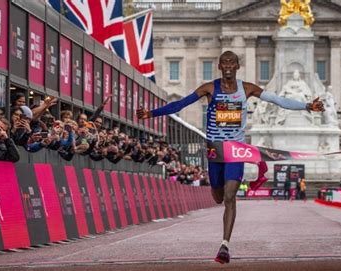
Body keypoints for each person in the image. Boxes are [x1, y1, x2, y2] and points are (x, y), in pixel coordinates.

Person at [136, 51, 324, 264]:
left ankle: (224, 245)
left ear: (237, 66)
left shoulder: (247, 89)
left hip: (236, 149)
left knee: (229, 196)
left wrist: (307, 106)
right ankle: (220, 201)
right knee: (217, 195)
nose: (227, 65)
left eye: (231, 62)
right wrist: (151, 114)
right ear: (219, 66)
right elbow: (180, 104)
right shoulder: (209, 88)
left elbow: (277, 100)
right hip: (215, 149)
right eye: (224, 62)